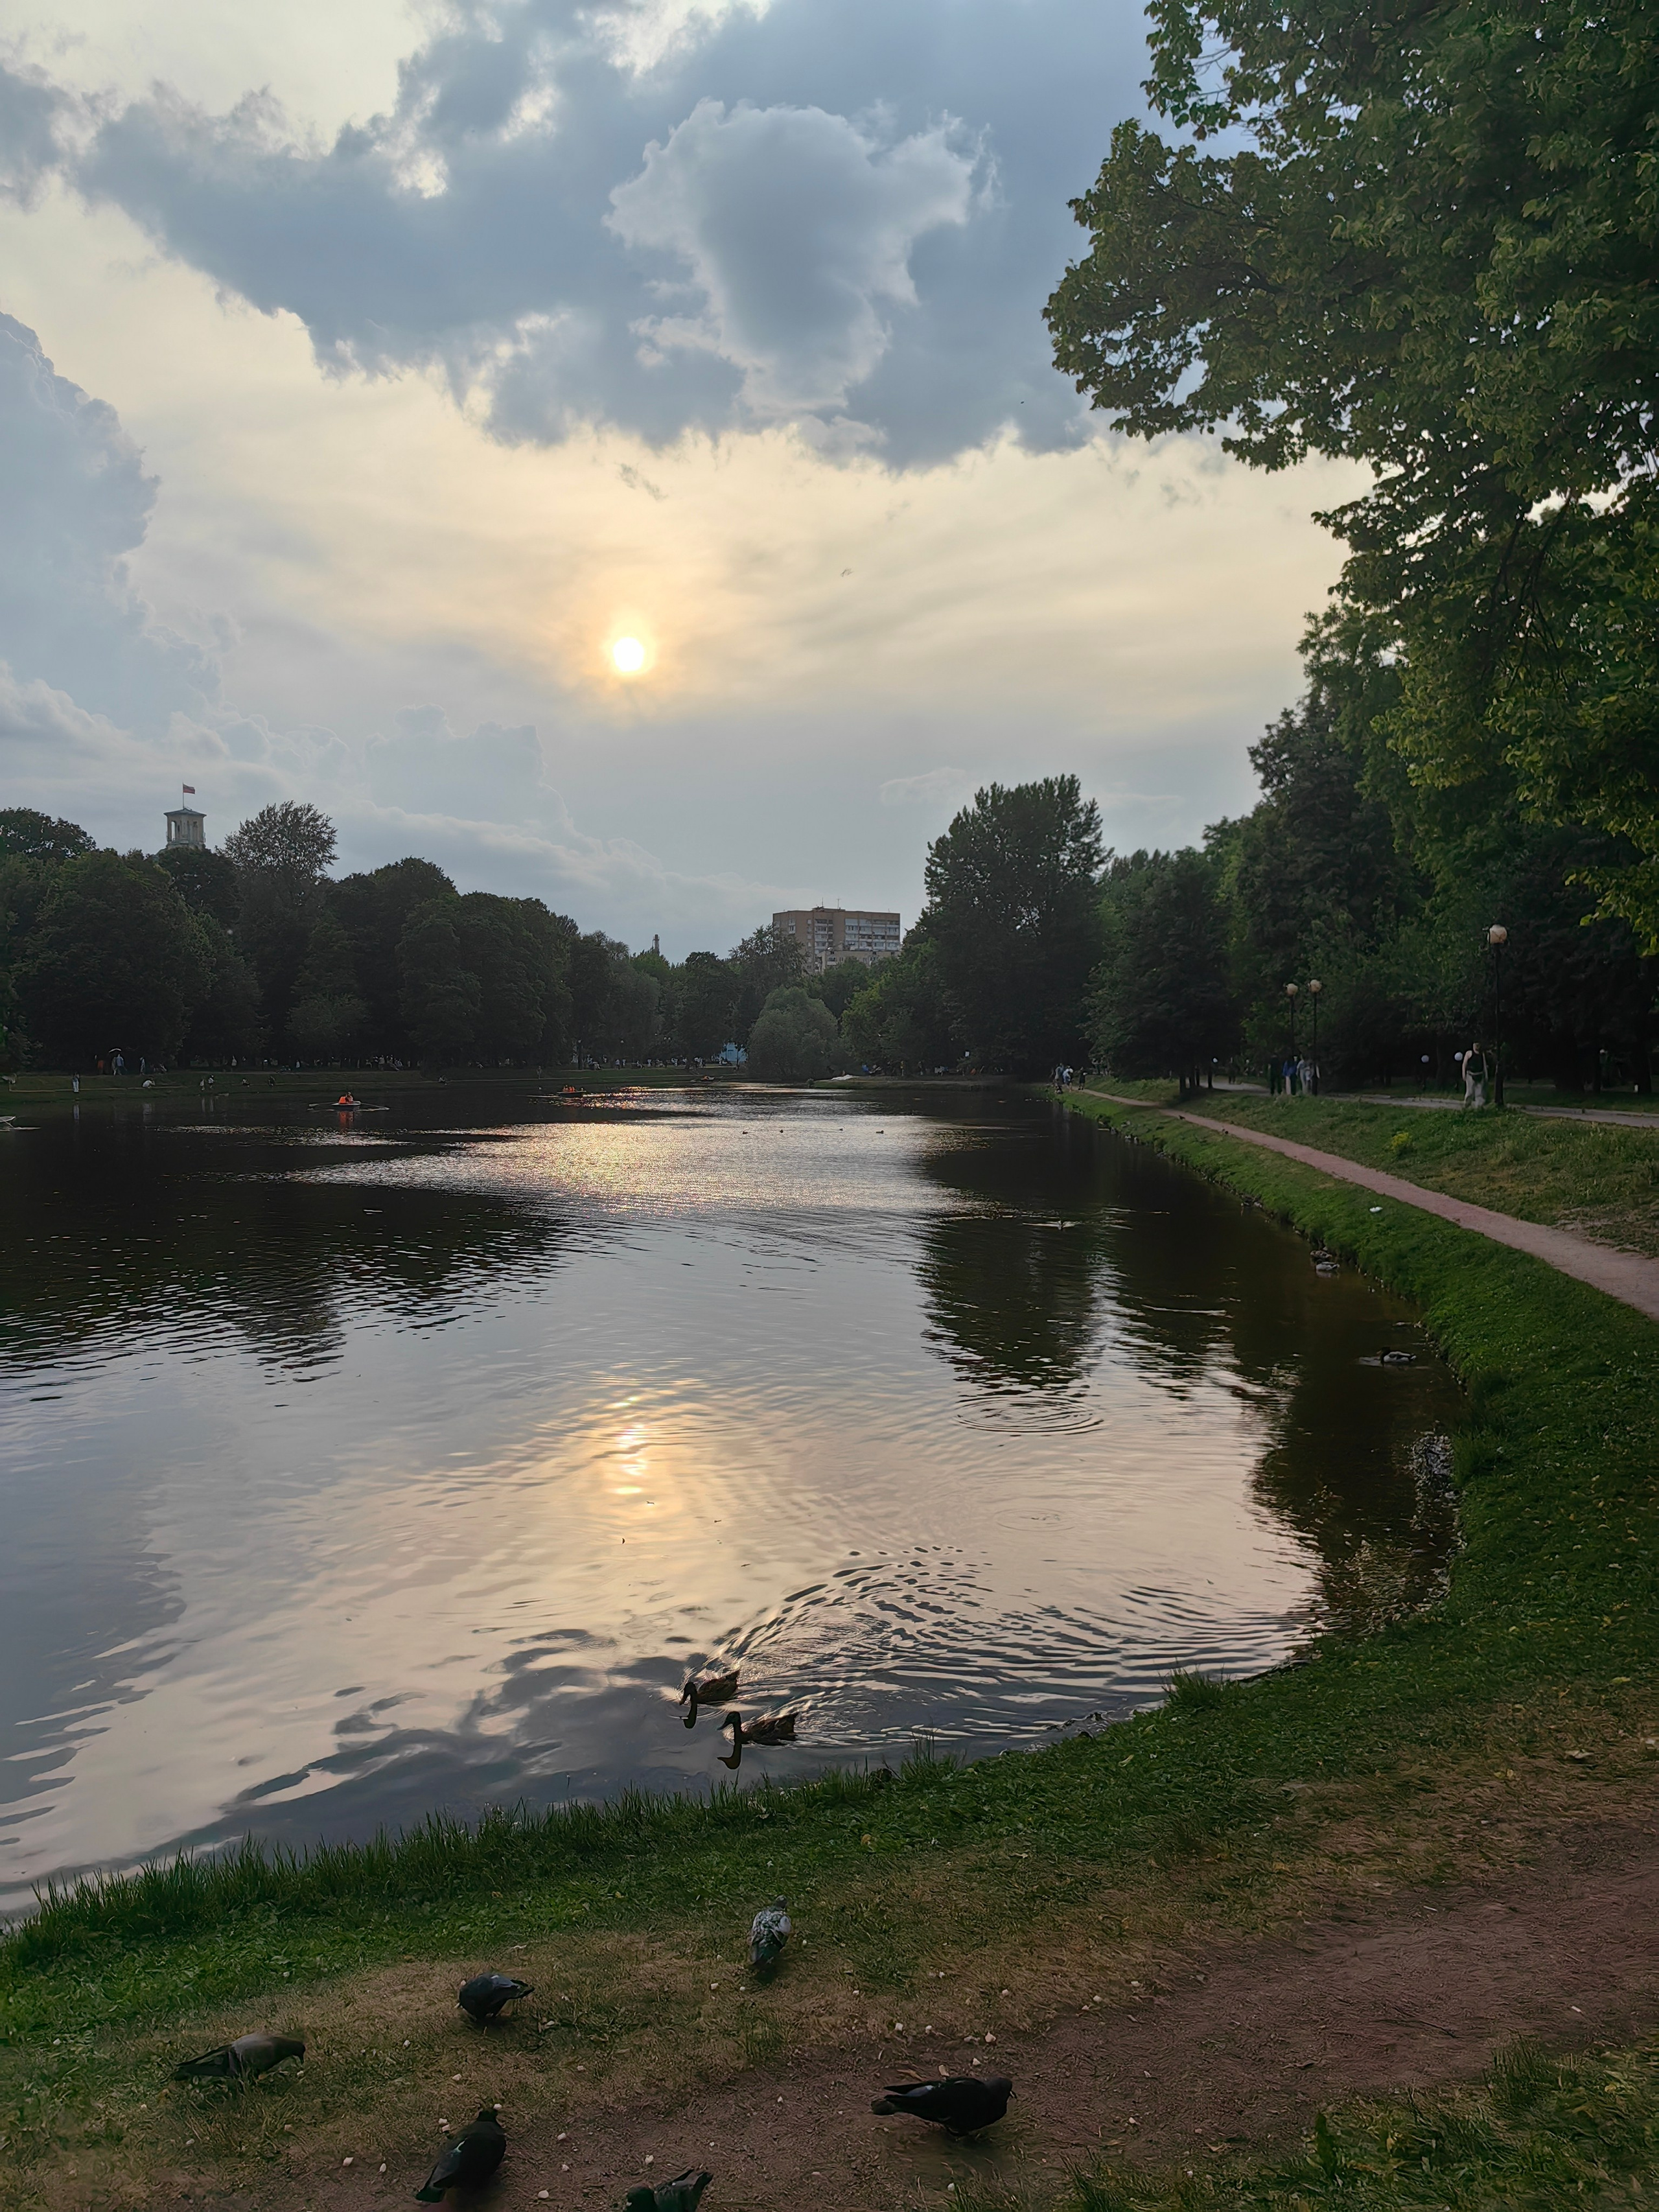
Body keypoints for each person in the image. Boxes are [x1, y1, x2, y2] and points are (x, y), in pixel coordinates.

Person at [1461, 1044, 1487, 1109]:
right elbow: (1464, 1064)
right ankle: (1466, 1106)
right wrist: (1463, 1074)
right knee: (1470, 1092)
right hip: (1471, 1075)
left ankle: (1479, 1107)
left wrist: (1486, 1075)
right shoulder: (1469, 1053)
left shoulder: (1482, 1054)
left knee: (1480, 1092)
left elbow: (1484, 1065)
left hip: (1480, 1074)